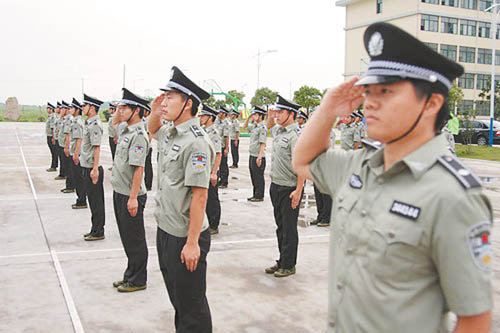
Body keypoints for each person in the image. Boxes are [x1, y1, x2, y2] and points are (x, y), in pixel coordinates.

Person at [293, 22, 493, 332]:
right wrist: (328, 109)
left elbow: (474, 318)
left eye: (385, 91)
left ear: (432, 102)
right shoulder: (360, 165)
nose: (370, 102)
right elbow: (303, 160)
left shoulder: (453, 195)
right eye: (368, 91)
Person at [149, 66, 214, 332]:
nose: (164, 101)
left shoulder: (196, 142)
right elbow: (152, 130)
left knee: (192, 306)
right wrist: (155, 111)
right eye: (163, 97)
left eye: (171, 97)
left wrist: (192, 243)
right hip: (166, 229)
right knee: (179, 300)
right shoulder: (171, 132)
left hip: (186, 235)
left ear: (188, 104)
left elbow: (200, 196)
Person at [110, 88, 150, 293]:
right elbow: (111, 126)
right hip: (120, 191)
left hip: (131, 195)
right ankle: (130, 274)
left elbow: (139, 169)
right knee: (127, 238)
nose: (120, 110)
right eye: (120, 106)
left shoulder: (139, 135)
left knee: (135, 239)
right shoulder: (125, 129)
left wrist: (133, 197)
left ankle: (138, 279)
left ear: (137, 111)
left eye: (125, 107)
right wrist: (118, 114)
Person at [264, 95, 305, 278]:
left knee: (289, 229)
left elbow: (302, 166)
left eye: (280, 112)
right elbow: (268, 126)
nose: (277, 115)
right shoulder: (280, 132)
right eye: (277, 112)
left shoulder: (296, 136)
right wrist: (270, 115)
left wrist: (298, 190)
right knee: (280, 227)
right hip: (276, 186)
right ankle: (282, 260)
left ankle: (289, 265)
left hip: (289, 188)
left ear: (290, 114)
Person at [81, 94, 106, 241]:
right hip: (87, 166)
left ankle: (98, 231)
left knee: (96, 202)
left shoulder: (95, 124)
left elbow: (96, 148)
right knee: (92, 200)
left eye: (85, 106)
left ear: (92, 108)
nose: (83, 108)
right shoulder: (89, 123)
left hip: (92, 168)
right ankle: (94, 228)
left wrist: (95, 169)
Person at [199, 104, 222, 235]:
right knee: (205, 198)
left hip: (211, 171)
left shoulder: (213, 133)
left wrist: (214, 173)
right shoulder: (204, 131)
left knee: (212, 199)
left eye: (203, 116)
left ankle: (214, 225)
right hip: (204, 170)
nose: (201, 118)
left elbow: (218, 154)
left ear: (210, 117)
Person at [243, 106, 267, 202]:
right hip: (252, 154)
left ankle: (259, 196)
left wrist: (260, 157)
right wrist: (248, 118)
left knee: (258, 177)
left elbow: (263, 143)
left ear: (261, 116)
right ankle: (255, 194)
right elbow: (245, 127)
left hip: (258, 156)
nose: (254, 116)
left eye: (256, 114)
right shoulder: (255, 125)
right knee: (254, 176)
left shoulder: (262, 127)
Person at [69, 98, 88, 209]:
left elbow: (79, 139)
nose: (70, 110)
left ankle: (81, 200)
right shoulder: (76, 120)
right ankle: (81, 198)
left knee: (78, 178)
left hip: (77, 154)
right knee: (78, 178)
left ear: (77, 110)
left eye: (72, 108)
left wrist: (76, 154)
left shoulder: (77, 122)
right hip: (76, 152)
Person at [62, 101, 75, 193]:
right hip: (69, 147)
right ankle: (69, 185)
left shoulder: (71, 120)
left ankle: (70, 186)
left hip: (71, 148)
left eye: (71, 108)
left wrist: (67, 147)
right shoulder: (69, 119)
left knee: (70, 169)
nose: (70, 110)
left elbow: (69, 135)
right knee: (68, 168)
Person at [215, 106, 230, 188]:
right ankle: (221, 180)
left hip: (223, 147)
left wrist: (227, 149)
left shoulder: (226, 124)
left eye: (220, 113)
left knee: (223, 165)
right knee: (219, 165)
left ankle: (225, 182)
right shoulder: (217, 122)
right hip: (217, 146)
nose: (218, 114)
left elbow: (226, 137)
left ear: (224, 114)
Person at [55, 101, 68, 181]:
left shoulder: (68, 120)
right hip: (61, 142)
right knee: (62, 161)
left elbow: (68, 134)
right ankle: (63, 174)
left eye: (63, 108)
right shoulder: (62, 118)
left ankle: (65, 175)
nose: (61, 110)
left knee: (66, 163)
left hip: (64, 144)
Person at [142, 108, 154, 191]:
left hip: (147, 147)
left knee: (147, 166)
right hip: (145, 146)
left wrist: (147, 145)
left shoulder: (148, 121)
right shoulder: (144, 120)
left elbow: (150, 135)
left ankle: (148, 184)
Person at [45, 103, 58, 172]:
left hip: (51, 136)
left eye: (48, 108)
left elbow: (53, 128)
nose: (47, 110)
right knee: (53, 152)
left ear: (51, 109)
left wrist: (53, 138)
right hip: (49, 135)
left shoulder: (53, 117)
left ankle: (54, 166)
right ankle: (54, 165)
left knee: (54, 152)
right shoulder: (50, 116)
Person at [108, 103, 118, 170]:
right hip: (111, 136)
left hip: (114, 137)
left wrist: (116, 136)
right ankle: (114, 165)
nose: (109, 110)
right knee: (113, 151)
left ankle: (116, 167)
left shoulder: (115, 117)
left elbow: (116, 127)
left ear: (113, 109)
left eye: (110, 109)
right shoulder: (111, 116)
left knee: (115, 152)